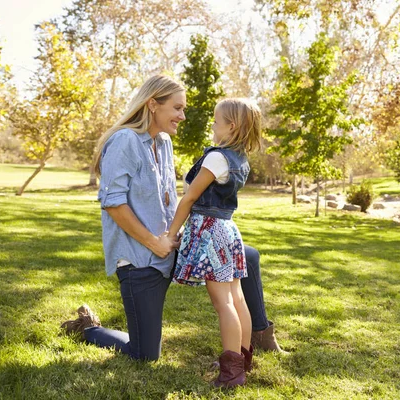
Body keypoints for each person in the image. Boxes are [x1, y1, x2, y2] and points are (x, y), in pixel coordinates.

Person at [61, 76, 283, 363]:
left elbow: (171, 198)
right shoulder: (124, 141)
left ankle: (259, 336)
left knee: (246, 257)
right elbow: (113, 204)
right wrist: (155, 243)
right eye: (177, 108)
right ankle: (89, 328)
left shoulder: (164, 141)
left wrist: (177, 236)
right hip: (141, 258)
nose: (183, 116)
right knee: (144, 355)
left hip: (173, 245)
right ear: (153, 104)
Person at [166, 98, 261, 388]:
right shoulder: (239, 158)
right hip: (227, 229)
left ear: (230, 126)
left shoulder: (217, 158)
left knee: (223, 303)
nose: (212, 125)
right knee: (236, 298)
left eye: (216, 121)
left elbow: (191, 197)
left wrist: (171, 233)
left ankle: (232, 373)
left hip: (209, 232)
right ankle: (243, 360)